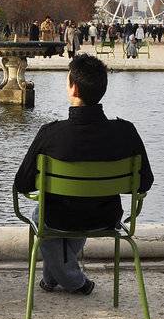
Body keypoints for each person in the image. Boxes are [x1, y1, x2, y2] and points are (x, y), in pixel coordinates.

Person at [13, 54, 153, 295]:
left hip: (59, 218)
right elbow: (145, 182)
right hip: (105, 217)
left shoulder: (50, 134)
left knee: (42, 214)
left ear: (73, 87)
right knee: (67, 209)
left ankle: (73, 280)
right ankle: (52, 277)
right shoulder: (126, 132)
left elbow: (22, 184)